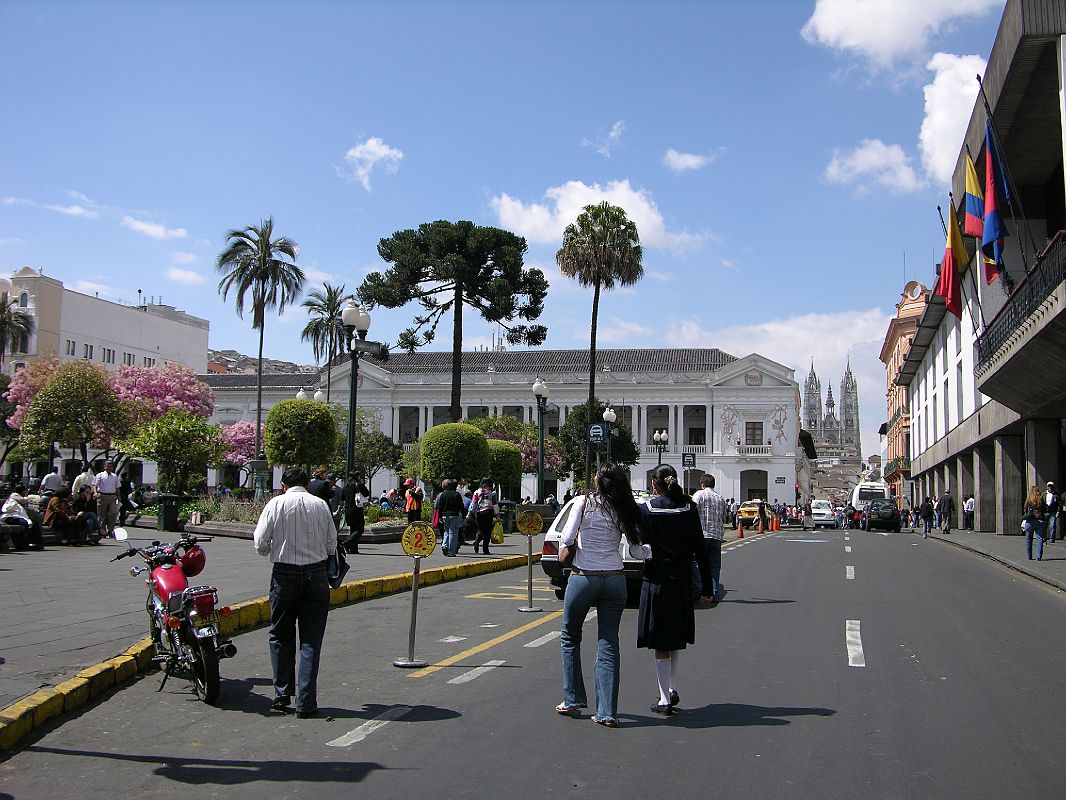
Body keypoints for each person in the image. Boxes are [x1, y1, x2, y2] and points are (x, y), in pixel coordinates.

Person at [555, 464, 643, 728]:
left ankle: (572, 699)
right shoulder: (624, 507)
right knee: (608, 642)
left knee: (570, 636)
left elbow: (567, 538)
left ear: (598, 480)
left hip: (584, 576)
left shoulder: (583, 503)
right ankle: (606, 711)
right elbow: (638, 552)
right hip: (615, 579)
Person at [253, 466, 337, 719]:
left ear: (284, 485)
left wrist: (275, 546)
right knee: (311, 640)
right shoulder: (320, 505)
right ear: (307, 484)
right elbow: (332, 543)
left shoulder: (276, 504)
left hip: (284, 573)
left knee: (280, 634)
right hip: (316, 573)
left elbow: (259, 544)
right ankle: (306, 702)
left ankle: (281, 693)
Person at [637, 464, 710, 716]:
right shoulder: (689, 508)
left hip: (657, 580)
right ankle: (672, 688)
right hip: (681, 581)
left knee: (660, 641)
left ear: (654, 485)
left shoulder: (646, 510)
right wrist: (708, 586)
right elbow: (701, 549)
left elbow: (638, 543)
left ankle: (664, 699)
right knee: (675, 638)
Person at [692, 473, 726, 605]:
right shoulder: (720, 498)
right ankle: (714, 592)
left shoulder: (699, 495)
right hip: (717, 535)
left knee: (695, 562)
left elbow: (692, 512)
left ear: (702, 484)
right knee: (714, 566)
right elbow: (724, 516)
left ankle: (700, 588)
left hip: (701, 535)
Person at [2, 484, 45, 550]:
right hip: (11, 517)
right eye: (25, 491)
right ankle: (27, 544)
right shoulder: (17, 498)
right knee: (27, 523)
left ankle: (35, 543)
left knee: (33, 524)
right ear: (23, 491)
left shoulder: (17, 498)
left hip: (15, 516)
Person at [466, 478, 501, 555]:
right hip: (489, 512)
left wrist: (469, 514)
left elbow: (473, 504)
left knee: (480, 529)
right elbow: (495, 505)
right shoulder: (492, 493)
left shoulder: (477, 492)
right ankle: (485, 549)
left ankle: (476, 541)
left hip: (480, 512)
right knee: (488, 531)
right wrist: (497, 516)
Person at [340, 471, 370, 554]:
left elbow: (342, 498)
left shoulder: (346, 487)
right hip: (356, 510)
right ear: (357, 477)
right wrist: (361, 484)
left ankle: (353, 549)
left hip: (348, 510)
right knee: (360, 529)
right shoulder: (358, 485)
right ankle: (348, 543)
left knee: (353, 529)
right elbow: (366, 493)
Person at [434, 479, 465, 557]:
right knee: (453, 533)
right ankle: (451, 551)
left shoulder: (443, 494)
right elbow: (461, 506)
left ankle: (444, 545)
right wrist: (463, 516)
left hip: (444, 515)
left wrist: (440, 516)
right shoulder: (457, 494)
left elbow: (440, 506)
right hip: (454, 515)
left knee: (446, 531)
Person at [91, 461, 121, 539]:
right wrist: (95, 493)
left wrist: (119, 496)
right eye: (107, 466)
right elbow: (95, 485)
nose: (109, 468)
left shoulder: (115, 476)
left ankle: (110, 530)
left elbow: (117, 487)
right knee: (101, 515)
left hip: (112, 496)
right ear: (104, 467)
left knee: (113, 513)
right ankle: (102, 531)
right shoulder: (100, 475)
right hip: (102, 495)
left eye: (110, 467)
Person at [1023, 485, 1047, 561]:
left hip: (1030, 521)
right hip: (1040, 521)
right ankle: (1038, 556)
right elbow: (1045, 509)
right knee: (1039, 538)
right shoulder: (1041, 499)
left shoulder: (1029, 498)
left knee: (1028, 539)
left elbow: (1025, 509)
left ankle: (1029, 556)